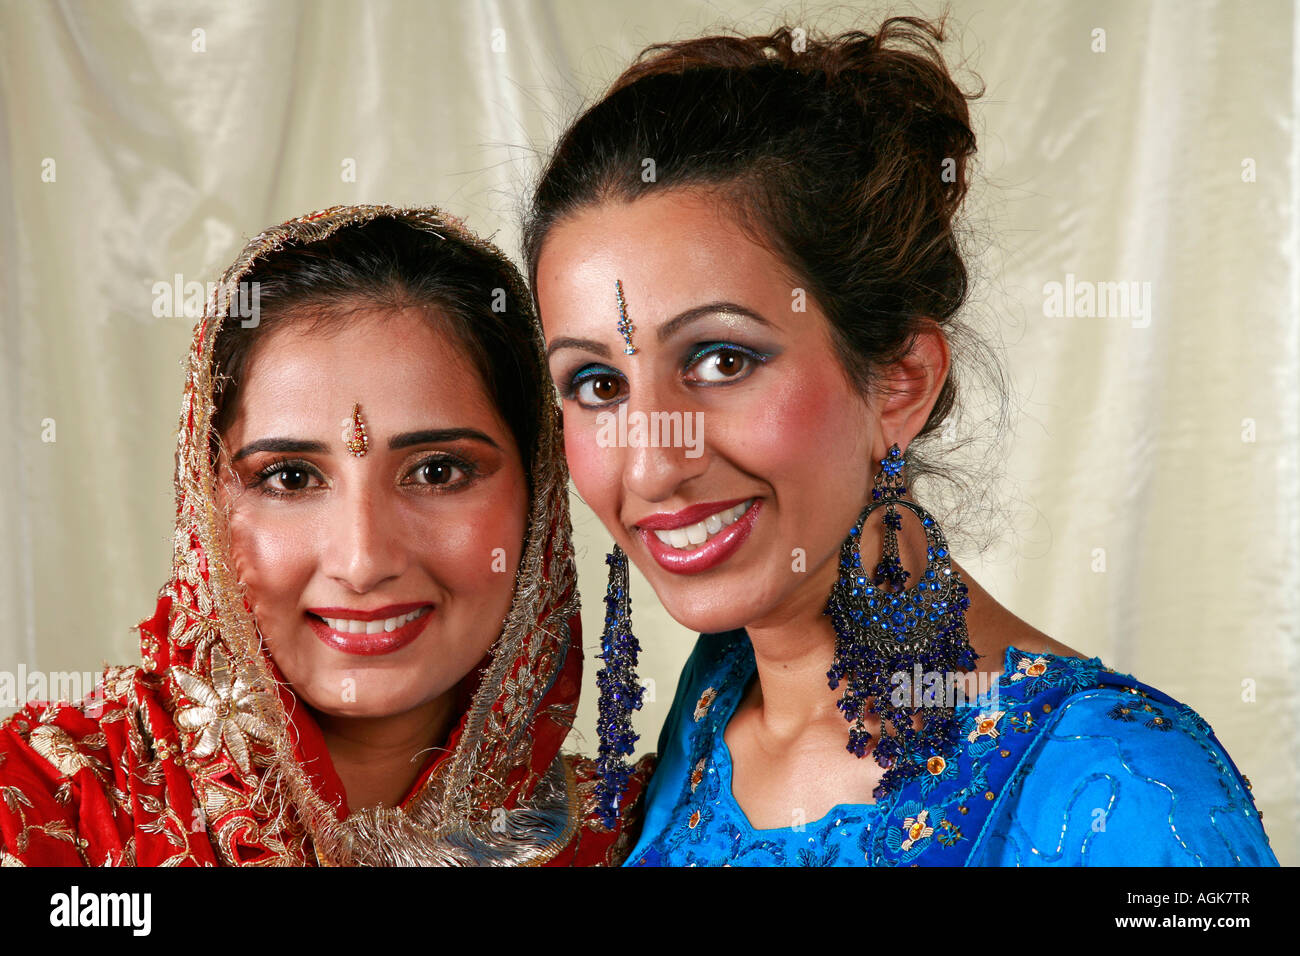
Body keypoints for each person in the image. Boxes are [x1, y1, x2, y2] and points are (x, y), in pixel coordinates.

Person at [523, 18, 1277, 865]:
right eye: (597, 385)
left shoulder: (1123, 792)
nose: (653, 462)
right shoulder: (716, 704)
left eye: (723, 359)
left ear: (898, 383)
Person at [0, 203, 649, 866]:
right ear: (206, 502)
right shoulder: (47, 811)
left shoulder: (638, 838)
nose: (364, 561)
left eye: (437, 470)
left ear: (539, 494)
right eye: (290, 479)